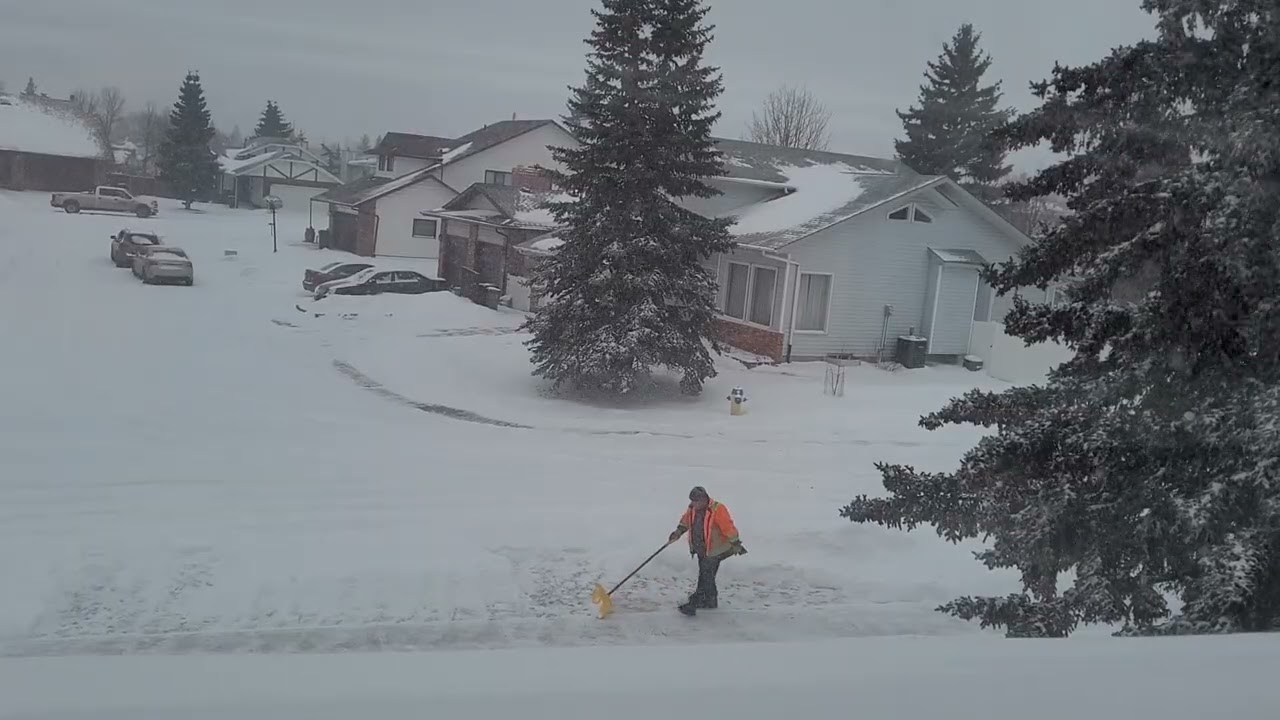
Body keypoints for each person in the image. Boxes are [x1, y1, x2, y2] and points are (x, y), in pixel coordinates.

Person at [668, 486, 746, 615]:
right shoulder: (692, 508)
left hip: (716, 549)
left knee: (706, 575)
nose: (693, 504)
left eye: (696, 501)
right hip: (701, 548)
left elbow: (728, 527)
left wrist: (736, 543)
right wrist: (678, 532)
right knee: (705, 575)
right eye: (692, 501)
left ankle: (699, 601)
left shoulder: (717, 509)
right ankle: (708, 599)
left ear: (704, 499)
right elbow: (686, 521)